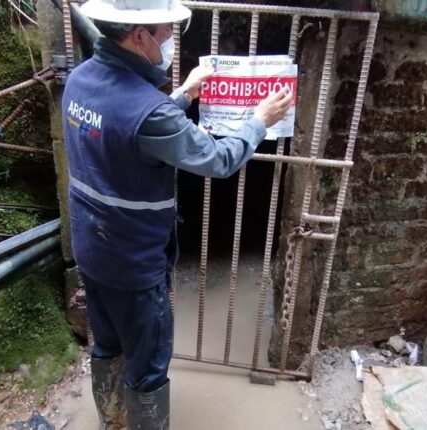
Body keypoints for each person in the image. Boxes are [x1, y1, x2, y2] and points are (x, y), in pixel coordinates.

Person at [62, 0, 293, 428]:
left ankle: (111, 419)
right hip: (134, 263)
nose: (169, 39)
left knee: (107, 345)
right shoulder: (149, 111)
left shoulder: (79, 80)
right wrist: (259, 121)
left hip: (91, 250)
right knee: (148, 368)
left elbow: (125, 127)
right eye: (167, 31)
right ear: (138, 36)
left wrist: (184, 95)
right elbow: (219, 160)